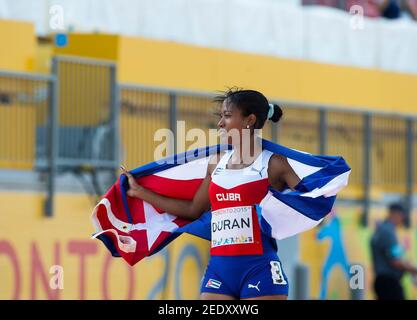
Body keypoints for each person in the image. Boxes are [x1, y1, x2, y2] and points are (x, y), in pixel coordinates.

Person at [370, 202, 417, 300]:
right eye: (402, 215)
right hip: (389, 283)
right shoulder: (388, 232)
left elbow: (394, 256)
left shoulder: (380, 230)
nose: (402, 219)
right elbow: (395, 261)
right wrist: (414, 269)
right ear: (395, 213)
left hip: (383, 282)